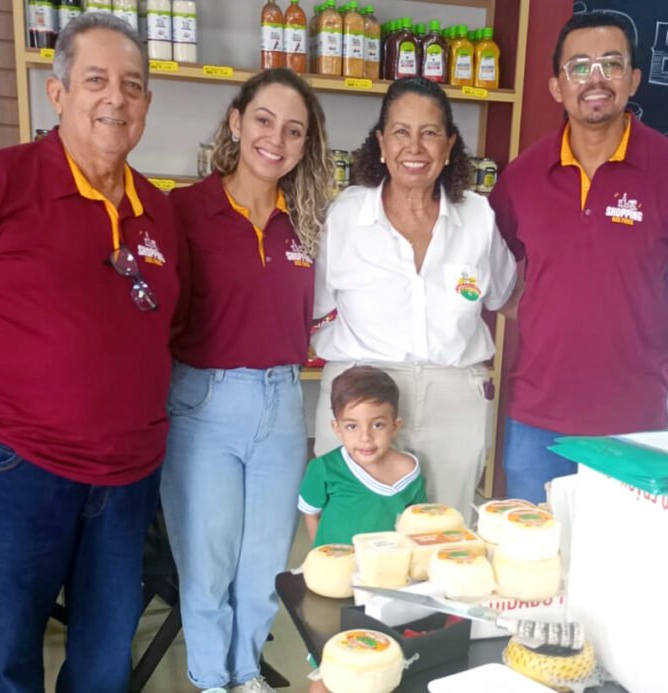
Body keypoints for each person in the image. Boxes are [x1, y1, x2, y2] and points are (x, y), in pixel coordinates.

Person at [0, 13, 179, 691]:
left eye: (132, 84)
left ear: (148, 102)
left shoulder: (159, 211)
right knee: (9, 655)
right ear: (56, 93)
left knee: (104, 660)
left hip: (127, 478)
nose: (116, 97)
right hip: (19, 469)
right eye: (96, 80)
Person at [489, 12, 668, 503]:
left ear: (633, 79)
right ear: (557, 86)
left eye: (611, 64)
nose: (595, 79)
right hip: (537, 417)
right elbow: (489, 267)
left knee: (624, 552)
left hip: (633, 423)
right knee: (533, 546)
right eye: (579, 66)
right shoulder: (523, 176)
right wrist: (537, 307)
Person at [159, 68, 333, 693]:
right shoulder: (184, 210)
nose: (275, 140)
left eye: (294, 131)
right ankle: (213, 680)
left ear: (305, 145)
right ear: (236, 122)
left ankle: (246, 673)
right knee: (208, 563)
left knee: (264, 564)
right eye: (263, 120)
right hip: (203, 401)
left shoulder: (308, 222)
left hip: (282, 401)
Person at [312, 77, 517, 521]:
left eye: (430, 133)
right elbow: (310, 307)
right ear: (381, 143)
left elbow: (505, 296)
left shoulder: (477, 216)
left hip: (453, 400)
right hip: (361, 397)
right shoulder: (345, 215)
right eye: (401, 132)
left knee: (444, 535)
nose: (415, 147)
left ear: (450, 145)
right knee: (354, 536)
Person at [299, 365, 427, 547]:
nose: (365, 437)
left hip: (389, 562)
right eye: (352, 426)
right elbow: (311, 515)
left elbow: (417, 524)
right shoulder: (324, 468)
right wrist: (322, 555)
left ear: (395, 426)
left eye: (377, 425)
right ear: (337, 428)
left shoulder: (410, 472)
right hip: (338, 563)